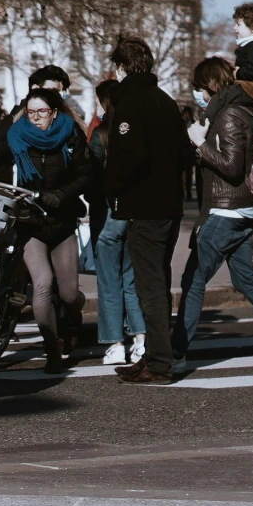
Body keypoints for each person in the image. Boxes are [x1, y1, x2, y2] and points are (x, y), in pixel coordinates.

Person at [173, 54, 253, 369]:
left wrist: (200, 146)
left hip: (226, 211)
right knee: (246, 281)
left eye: (198, 87)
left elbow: (233, 168)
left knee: (193, 281)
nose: (196, 92)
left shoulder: (230, 115)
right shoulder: (240, 111)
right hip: (240, 211)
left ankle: (176, 353)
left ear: (209, 86)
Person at [102, 33, 190, 385]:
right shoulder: (165, 101)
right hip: (169, 204)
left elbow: (128, 157)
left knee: (149, 286)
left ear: (121, 67)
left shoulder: (130, 103)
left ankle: (159, 362)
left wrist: (112, 187)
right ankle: (156, 355)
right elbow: (185, 155)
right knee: (158, 282)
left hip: (144, 205)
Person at [7, 86, 100, 371]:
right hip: (31, 223)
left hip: (62, 223)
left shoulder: (70, 136)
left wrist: (61, 195)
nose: (35, 118)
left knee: (69, 294)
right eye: (31, 112)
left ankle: (73, 316)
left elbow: (88, 175)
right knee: (43, 285)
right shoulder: (15, 134)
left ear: (54, 113)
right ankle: (52, 349)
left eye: (42, 112)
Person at [88, 77, 148, 364]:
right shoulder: (137, 129)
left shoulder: (100, 133)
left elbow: (91, 177)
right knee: (130, 278)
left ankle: (114, 343)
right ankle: (140, 340)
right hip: (135, 209)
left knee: (109, 280)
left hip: (107, 210)